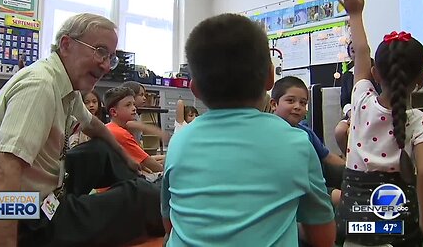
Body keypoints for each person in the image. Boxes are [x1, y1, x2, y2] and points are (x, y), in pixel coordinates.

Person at [0, 13, 164, 247]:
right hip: (27, 218)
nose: (106, 66)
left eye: (111, 58)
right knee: (140, 198)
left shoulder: (65, 81)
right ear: (67, 45)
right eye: (100, 51)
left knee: (101, 150)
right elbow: (5, 173)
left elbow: (92, 124)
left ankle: (145, 183)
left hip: (47, 188)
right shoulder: (40, 87)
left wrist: (125, 156)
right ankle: (152, 194)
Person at [161, 13, 335, 246]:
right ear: (270, 78)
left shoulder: (178, 141)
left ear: (195, 89)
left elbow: (169, 223)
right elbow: (322, 235)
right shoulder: (296, 142)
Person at [337, 0, 423, 246]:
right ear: (422, 78)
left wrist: (355, 14)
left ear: (375, 73)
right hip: (401, 230)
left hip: (354, 226)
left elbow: (361, 51)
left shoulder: (360, 99)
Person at [270, 76, 346, 205]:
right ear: (273, 104)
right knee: (347, 199)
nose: (298, 106)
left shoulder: (305, 131)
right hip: (304, 185)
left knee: (354, 176)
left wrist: (351, 168)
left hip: (320, 175)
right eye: (290, 101)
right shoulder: (271, 133)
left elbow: (327, 156)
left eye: (303, 103)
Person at [335, 41, 381, 154]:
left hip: (375, 112)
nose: (357, 54)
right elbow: (344, 100)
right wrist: (351, 114)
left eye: (359, 50)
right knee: (340, 131)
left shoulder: (377, 71)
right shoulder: (347, 75)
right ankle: (349, 159)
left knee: (354, 131)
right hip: (353, 114)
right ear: (350, 55)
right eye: (353, 51)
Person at [104, 86, 165, 173]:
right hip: (119, 184)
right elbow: (149, 163)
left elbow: (143, 158)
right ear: (114, 112)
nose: (134, 108)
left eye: (133, 104)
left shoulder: (110, 127)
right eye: (128, 105)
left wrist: (166, 158)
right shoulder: (120, 133)